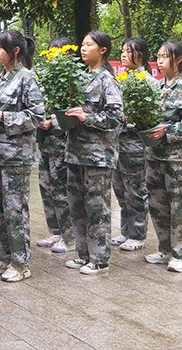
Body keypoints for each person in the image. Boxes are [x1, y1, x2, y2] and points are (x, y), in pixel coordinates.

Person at [0, 30, 44, 282]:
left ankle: (21, 263)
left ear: (15, 50)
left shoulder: (26, 78)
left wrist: (4, 117)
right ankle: (4, 256)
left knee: (15, 209)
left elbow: (37, 116)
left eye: (1, 47)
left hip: (16, 157)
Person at [64, 31, 123, 275]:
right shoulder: (78, 78)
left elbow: (116, 118)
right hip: (75, 152)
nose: (83, 48)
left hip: (98, 156)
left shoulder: (107, 80)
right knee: (77, 206)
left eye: (89, 44)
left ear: (103, 50)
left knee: (97, 208)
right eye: (82, 44)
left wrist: (86, 117)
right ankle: (83, 254)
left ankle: (99, 259)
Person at [143, 40, 182, 273]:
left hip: (177, 159)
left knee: (179, 206)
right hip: (155, 155)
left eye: (165, 56)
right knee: (157, 204)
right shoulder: (158, 87)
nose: (159, 61)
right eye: (158, 56)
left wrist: (167, 131)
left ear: (178, 59)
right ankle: (165, 248)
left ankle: (181, 254)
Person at [112, 37, 156, 252]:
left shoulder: (148, 82)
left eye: (128, 51)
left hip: (135, 145)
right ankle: (126, 230)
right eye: (122, 51)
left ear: (141, 55)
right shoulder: (121, 80)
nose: (123, 55)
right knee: (120, 190)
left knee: (136, 190)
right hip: (117, 144)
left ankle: (138, 234)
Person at [35, 37, 75, 254]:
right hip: (45, 143)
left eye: (56, 52)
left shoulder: (70, 79)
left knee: (61, 191)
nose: (52, 56)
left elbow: (75, 112)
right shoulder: (46, 78)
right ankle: (55, 230)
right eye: (50, 52)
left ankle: (70, 236)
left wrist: (53, 121)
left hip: (62, 143)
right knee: (46, 188)